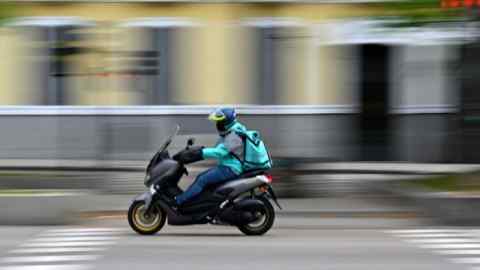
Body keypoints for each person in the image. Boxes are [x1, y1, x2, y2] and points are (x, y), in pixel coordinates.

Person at [174, 107, 246, 205]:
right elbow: (220, 148)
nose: (217, 125)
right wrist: (199, 150)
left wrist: (201, 152)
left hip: (231, 168)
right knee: (204, 179)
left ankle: (178, 201)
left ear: (226, 122)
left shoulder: (235, 134)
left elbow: (220, 152)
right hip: (228, 165)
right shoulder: (231, 131)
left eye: (219, 122)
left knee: (202, 179)